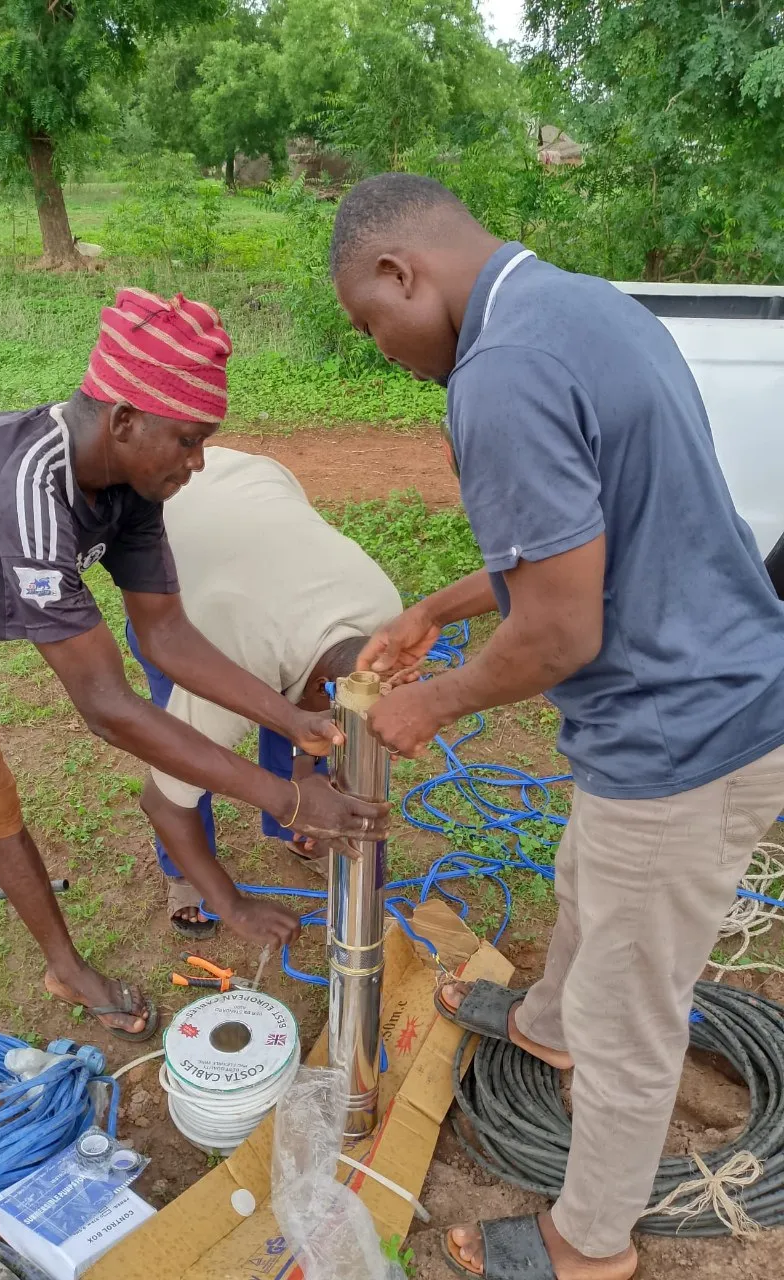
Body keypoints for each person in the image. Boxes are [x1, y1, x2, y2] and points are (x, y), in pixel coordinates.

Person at [330, 174, 784, 1280]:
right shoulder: (586, 306)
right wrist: (439, 607)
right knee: (589, 878)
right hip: (700, 688)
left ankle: (590, 1244)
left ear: (402, 273)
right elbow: (590, 534)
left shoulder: (503, 373)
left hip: (684, 733)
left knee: (634, 1016)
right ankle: (544, 1020)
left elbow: (562, 629)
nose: (381, 349)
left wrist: (426, 704)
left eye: (368, 324)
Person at [0, 288, 387, 1045]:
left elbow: (168, 638)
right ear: (123, 420)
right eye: (188, 440)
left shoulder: (131, 484)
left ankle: (65, 965)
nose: (199, 460)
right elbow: (106, 706)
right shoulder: (26, 492)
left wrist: (293, 720)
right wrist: (286, 798)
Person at [127, 445, 402, 941]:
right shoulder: (222, 655)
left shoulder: (387, 621)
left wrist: (303, 773)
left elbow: (314, 704)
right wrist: (233, 905)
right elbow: (159, 801)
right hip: (178, 536)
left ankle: (296, 826)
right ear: (323, 684)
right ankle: (186, 874)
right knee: (180, 748)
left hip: (259, 488)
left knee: (307, 714)